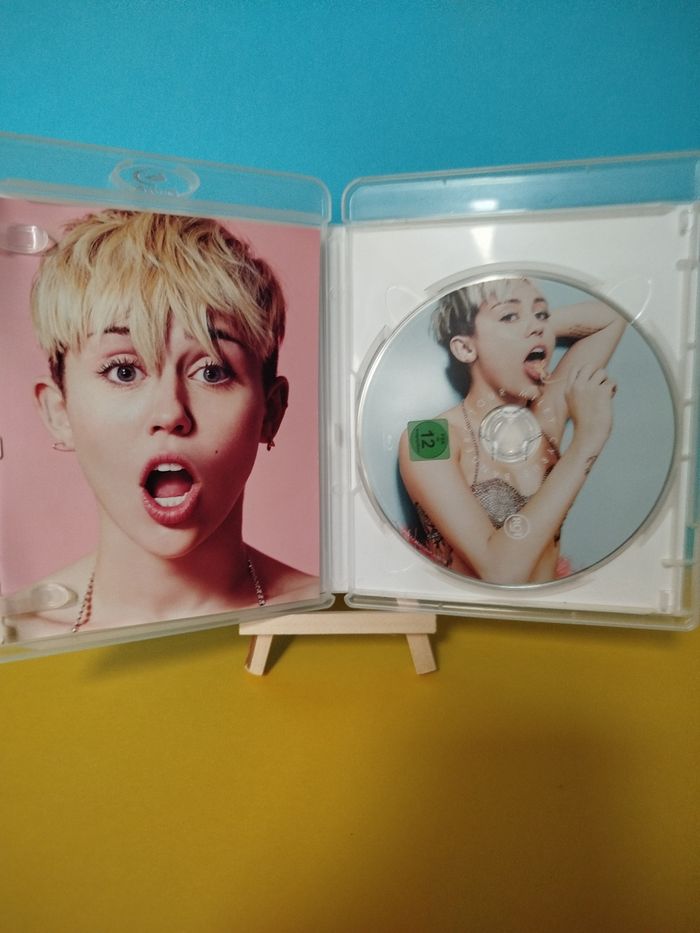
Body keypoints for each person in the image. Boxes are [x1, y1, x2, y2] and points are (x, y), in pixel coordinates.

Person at [5, 209, 318, 640]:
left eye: (212, 371)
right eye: (124, 371)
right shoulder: (12, 639)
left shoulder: (344, 626)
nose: (170, 413)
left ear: (271, 411)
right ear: (59, 412)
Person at [399, 276, 624, 584]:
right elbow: (500, 572)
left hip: (550, 607)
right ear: (465, 347)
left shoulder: (545, 415)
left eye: (541, 314)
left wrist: (530, 328)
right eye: (508, 316)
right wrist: (587, 442)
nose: (537, 327)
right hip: (469, 609)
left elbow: (612, 318)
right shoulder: (428, 437)